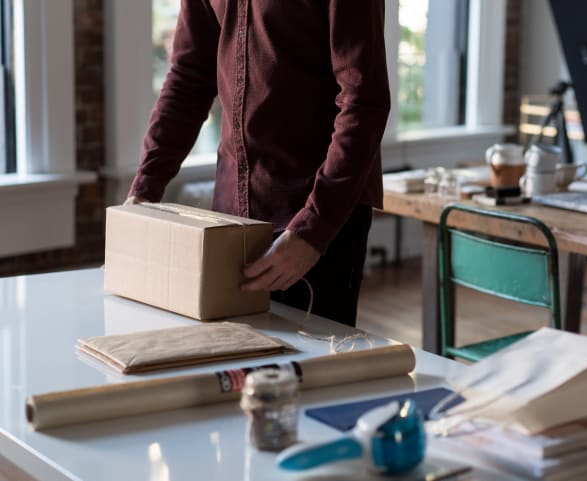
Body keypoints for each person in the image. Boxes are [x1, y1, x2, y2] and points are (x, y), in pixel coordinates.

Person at [125, 1, 391, 327]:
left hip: (316, 218)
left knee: (311, 372)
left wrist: (313, 230)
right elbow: (188, 76)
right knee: (233, 368)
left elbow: (363, 100)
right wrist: (143, 191)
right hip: (230, 220)